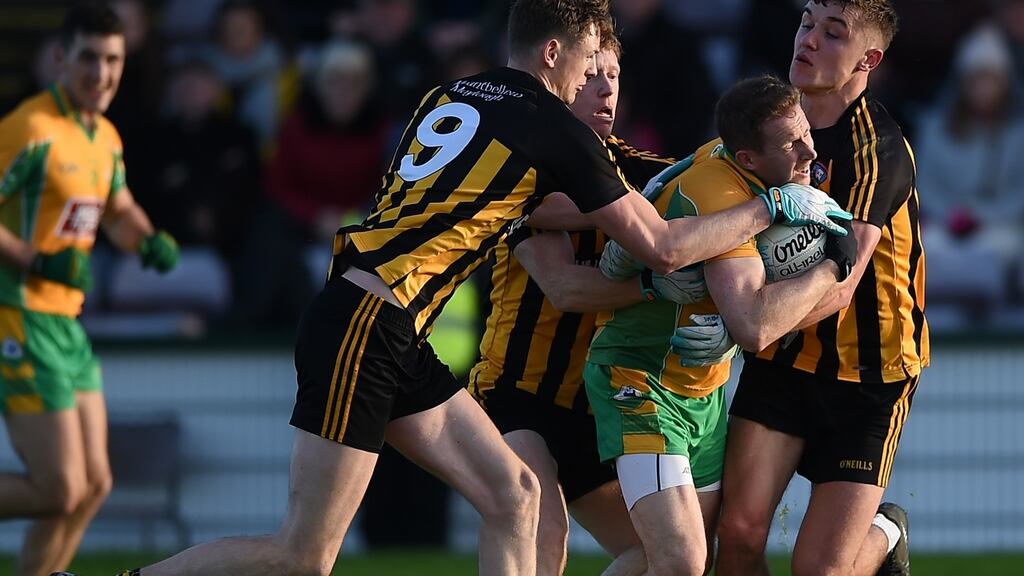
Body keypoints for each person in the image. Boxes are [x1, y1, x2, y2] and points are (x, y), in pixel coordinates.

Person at [117, 1, 851, 575]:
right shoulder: (550, 129)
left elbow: (565, 197)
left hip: (392, 325)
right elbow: (659, 243)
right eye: (589, 67)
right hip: (367, 324)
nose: (594, 85)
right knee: (302, 558)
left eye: (611, 74)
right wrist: (772, 205)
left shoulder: (450, 94)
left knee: (516, 497)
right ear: (555, 53)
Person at [671, 2, 929, 575]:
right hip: (785, 360)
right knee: (735, 536)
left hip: (870, 372)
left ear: (869, 58)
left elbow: (841, 282)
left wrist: (744, 322)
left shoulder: (877, 150)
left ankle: (886, 530)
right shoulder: (767, 125)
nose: (808, 40)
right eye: (806, 23)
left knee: (819, 571)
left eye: (832, 33)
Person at [587, 74, 858, 576]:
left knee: (671, 558)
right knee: (681, 560)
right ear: (749, 159)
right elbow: (755, 327)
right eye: (790, 143)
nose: (808, 151)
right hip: (641, 380)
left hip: (704, 394)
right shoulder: (728, 199)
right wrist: (830, 267)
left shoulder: (734, 156)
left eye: (805, 133)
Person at [469, 33, 678, 576]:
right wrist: (665, 285)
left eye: (614, 75)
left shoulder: (637, 172)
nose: (606, 89)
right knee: (543, 527)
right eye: (591, 75)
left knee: (667, 554)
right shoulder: (521, 167)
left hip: (589, 402)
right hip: (514, 389)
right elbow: (565, 288)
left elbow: (706, 180)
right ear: (561, 79)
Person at [0, 4, 179, 576]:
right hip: (18, 315)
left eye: (112, 60)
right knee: (58, 488)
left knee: (94, 483)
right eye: (89, 59)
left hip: (65, 324)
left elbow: (118, 210)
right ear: (60, 58)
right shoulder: (30, 129)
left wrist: (148, 240)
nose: (100, 74)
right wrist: (37, 261)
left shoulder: (104, 137)